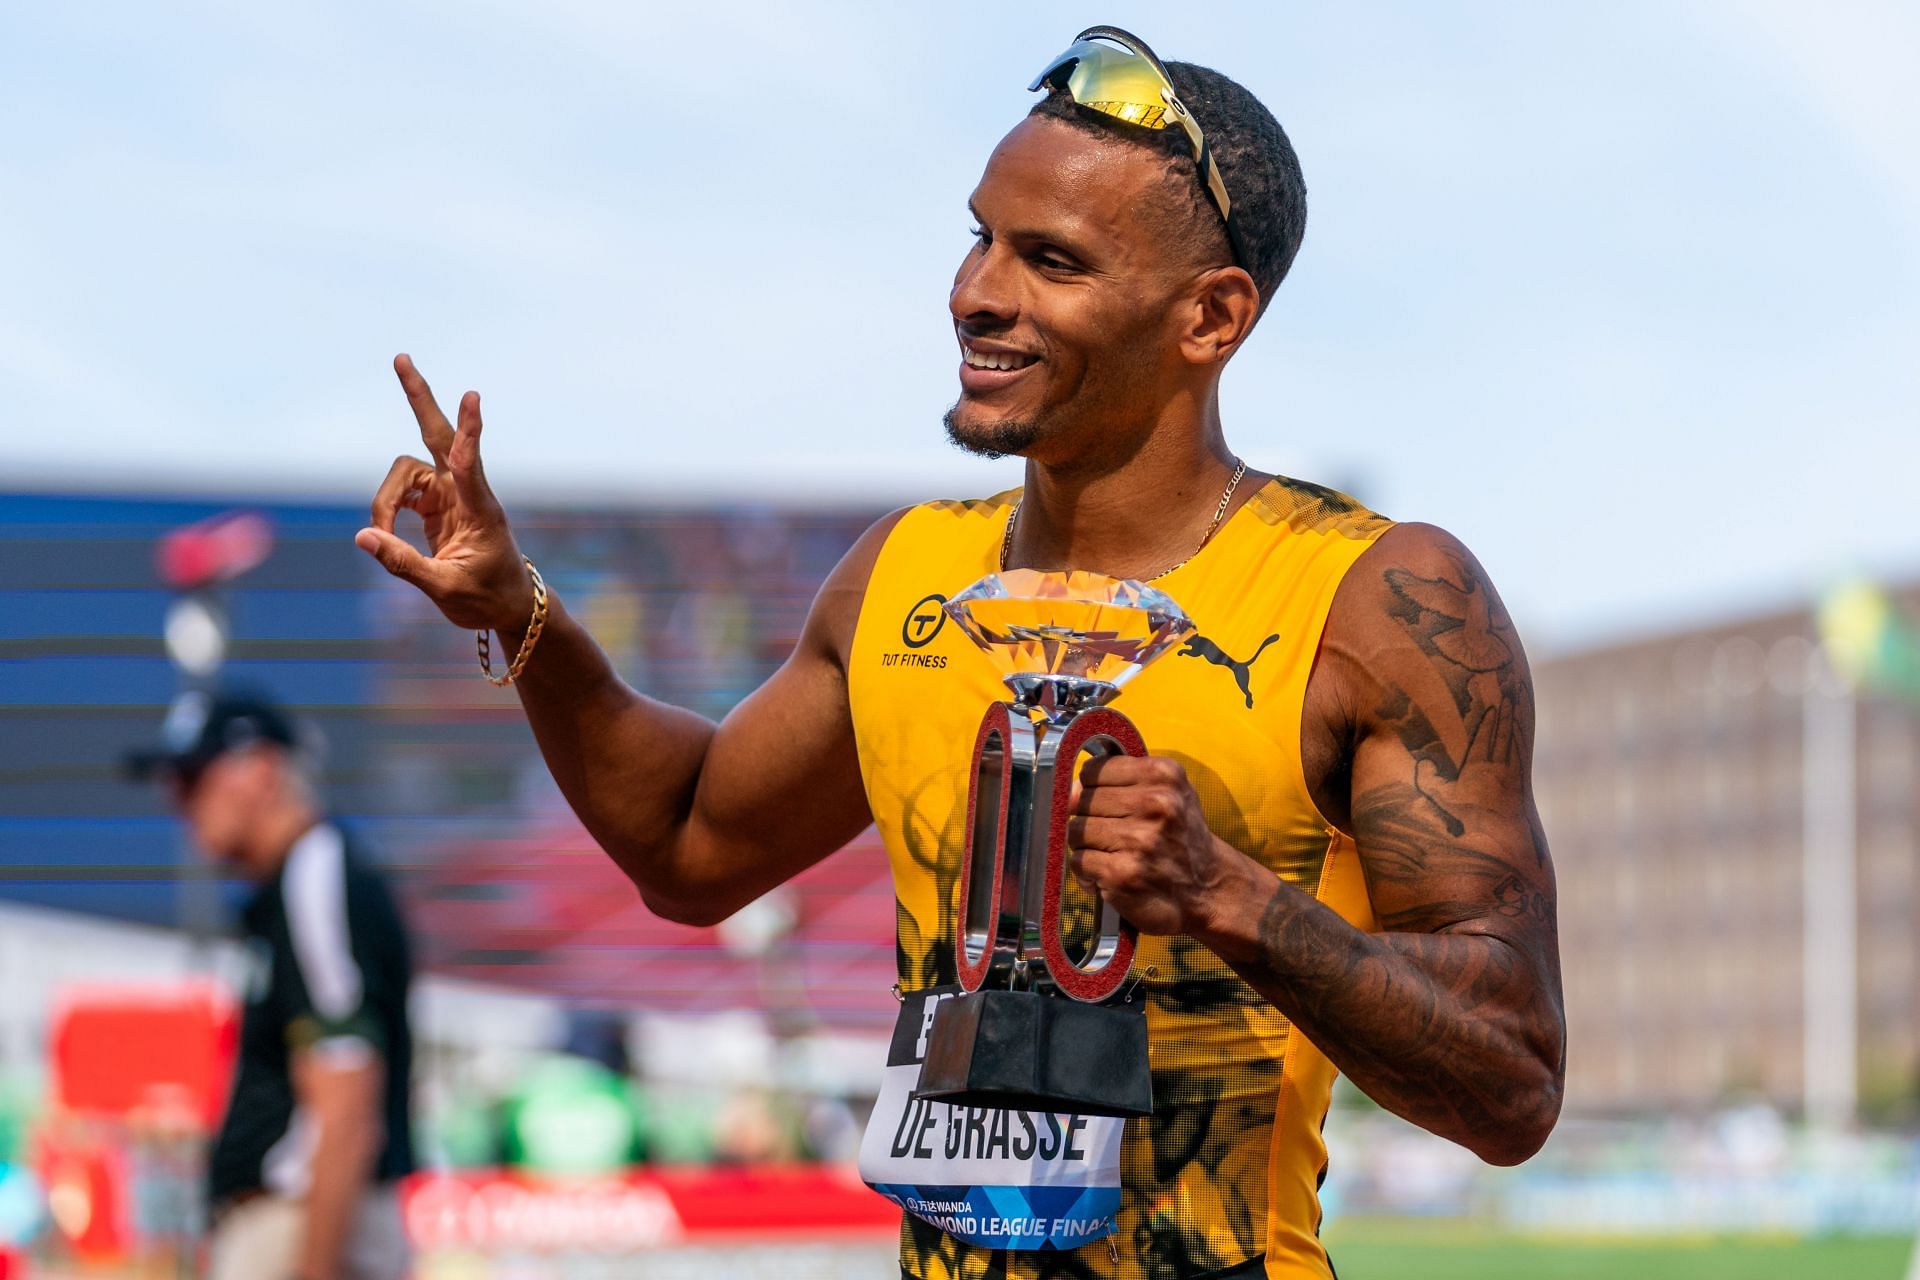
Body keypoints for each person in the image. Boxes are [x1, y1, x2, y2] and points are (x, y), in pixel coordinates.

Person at [354, 25, 1564, 1279]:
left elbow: (1514, 1084)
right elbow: (689, 846)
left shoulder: (1371, 597)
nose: (978, 291)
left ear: (1210, 316)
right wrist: (521, 613)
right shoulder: (908, 574)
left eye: (1051, 259)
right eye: (980, 234)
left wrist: (1230, 895)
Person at [126, 691, 414, 1280]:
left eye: (193, 778)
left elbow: (345, 1100)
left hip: (303, 1224)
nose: (176, 800)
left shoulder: (316, 872)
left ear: (259, 770)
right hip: (297, 1225)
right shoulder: (292, 882)